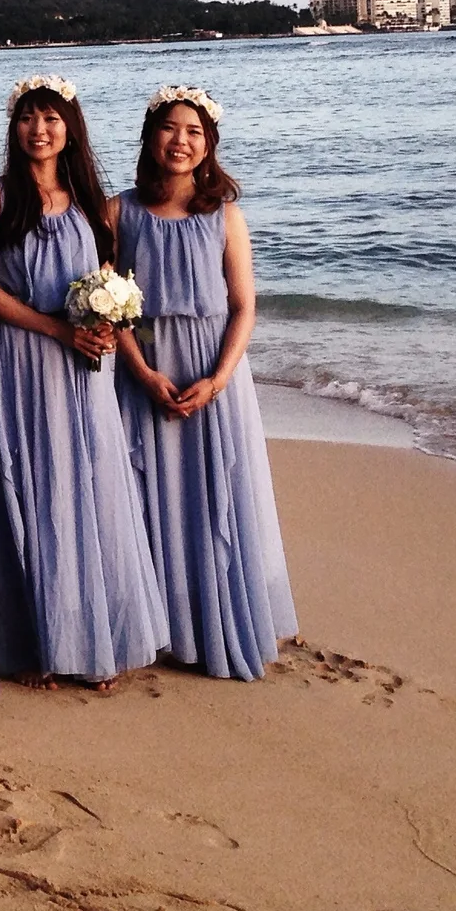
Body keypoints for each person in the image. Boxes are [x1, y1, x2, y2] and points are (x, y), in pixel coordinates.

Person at [0, 77, 164, 688]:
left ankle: (96, 637)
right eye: (28, 118)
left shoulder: (90, 200)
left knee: (95, 485)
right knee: (33, 486)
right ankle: (39, 644)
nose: (39, 129)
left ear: (69, 127)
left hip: (87, 364)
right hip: (26, 357)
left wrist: (106, 326)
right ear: (15, 127)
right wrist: (56, 330)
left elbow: (107, 278)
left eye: (51, 118)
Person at [112, 85, 296, 679]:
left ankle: (217, 621)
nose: (181, 141)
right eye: (170, 128)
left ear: (209, 144)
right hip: (146, 370)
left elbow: (243, 306)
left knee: (215, 494)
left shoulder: (225, 216)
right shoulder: (120, 212)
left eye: (194, 132)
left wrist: (218, 379)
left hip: (214, 375)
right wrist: (140, 372)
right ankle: (157, 625)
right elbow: (107, 306)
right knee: (149, 495)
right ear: (150, 136)